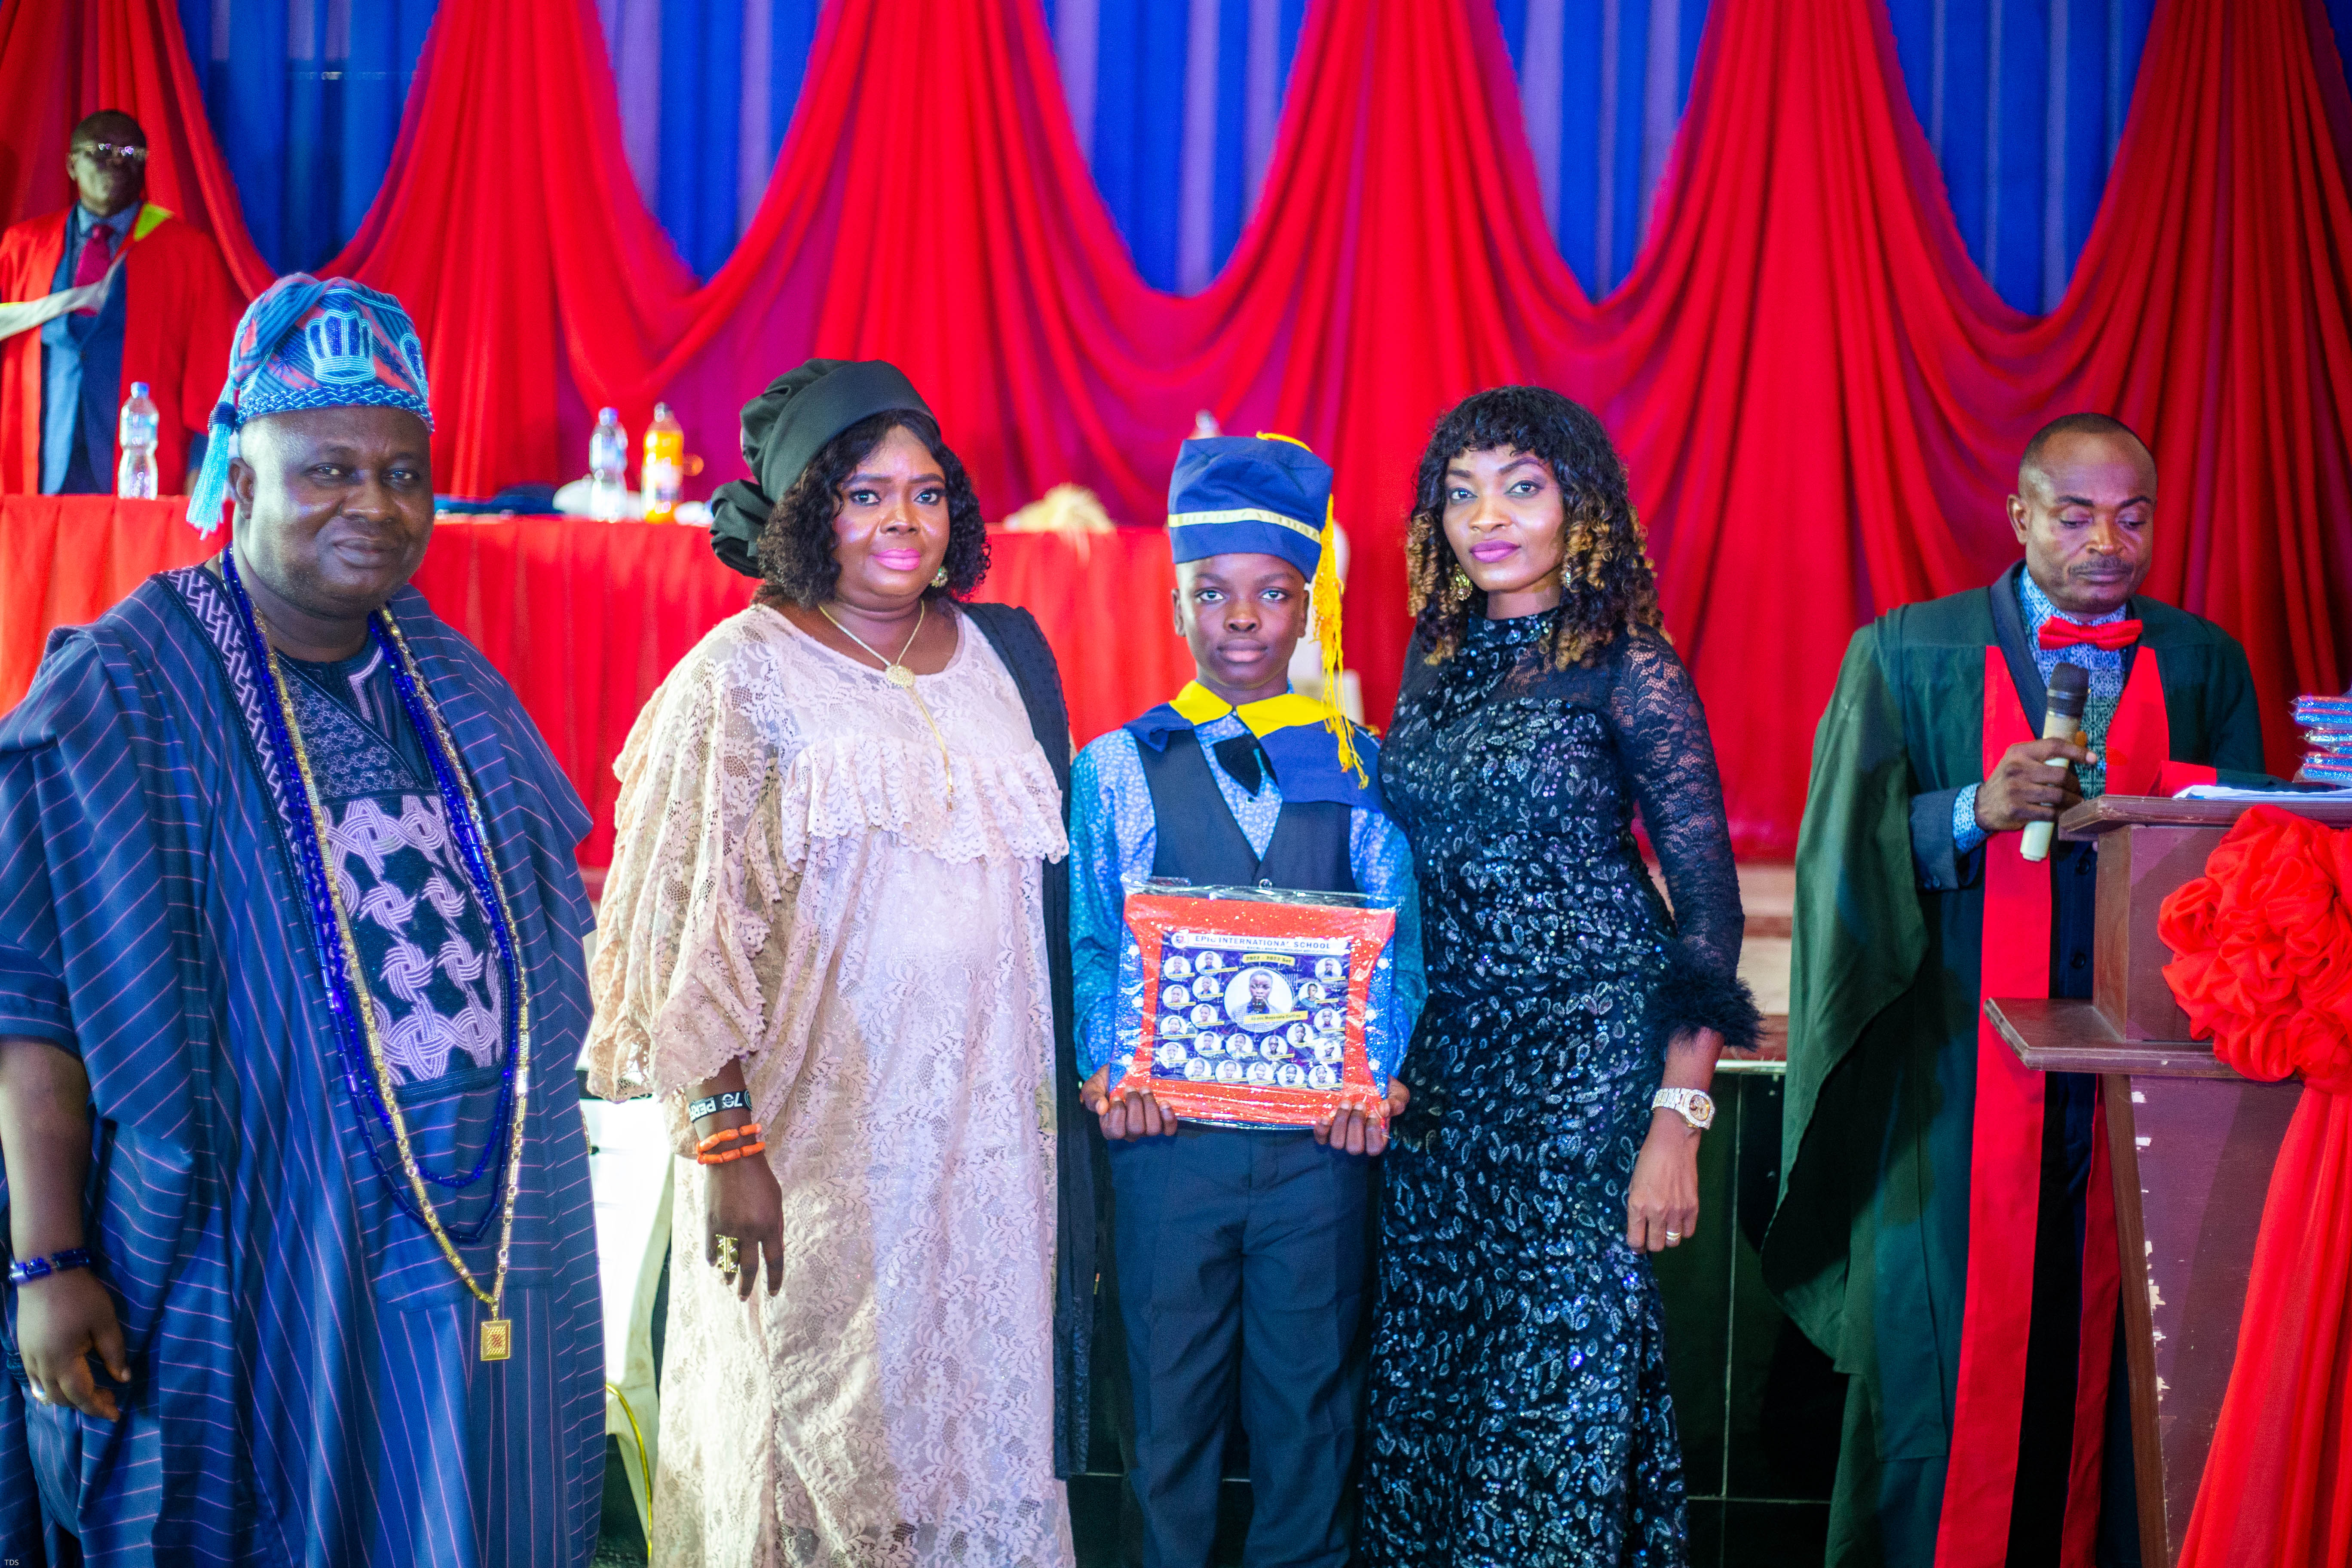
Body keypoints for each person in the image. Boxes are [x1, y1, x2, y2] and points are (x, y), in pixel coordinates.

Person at [0, 276, 604, 1564]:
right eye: (328, 469)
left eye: (403, 474)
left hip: (478, 1257)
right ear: (239, 475)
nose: (373, 505)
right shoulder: (128, 688)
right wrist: (47, 1261)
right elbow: (33, 997)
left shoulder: (457, 687)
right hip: (250, 1258)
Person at [583, 358, 1095, 1566]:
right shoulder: (739, 678)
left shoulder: (1002, 661)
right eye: (865, 495)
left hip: (990, 1165)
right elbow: (678, 938)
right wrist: (726, 1147)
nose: (901, 522)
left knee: (976, 1444)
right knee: (818, 1440)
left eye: (925, 493)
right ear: (808, 511)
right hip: (816, 1161)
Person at [1764, 413, 2268, 1568]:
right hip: (1953, 1083)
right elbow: (1840, 850)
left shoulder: (2202, 662)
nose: (2107, 542)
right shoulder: (1907, 651)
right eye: (2076, 515)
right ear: (2020, 517)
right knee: (1941, 1373)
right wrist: (1970, 810)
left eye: (2132, 517)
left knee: (2131, 1371)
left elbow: (2250, 867)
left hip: (2142, 1089)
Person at [1363, 385, 1759, 1563]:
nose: (1486, 517)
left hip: (1587, 1064)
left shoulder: (1629, 667)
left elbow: (1710, 910)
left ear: (1579, 507)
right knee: (1434, 1363)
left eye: (1521, 488)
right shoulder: (1434, 663)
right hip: (1450, 1070)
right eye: (1462, 493)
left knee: (1559, 1372)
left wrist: (1677, 1118)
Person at [1069, 433, 1424, 1568]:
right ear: (1174, 604)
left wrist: (1372, 1077)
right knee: (1164, 1420)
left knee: (1310, 1421)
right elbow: (1093, 940)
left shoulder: (1363, 767)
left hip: (1319, 1160)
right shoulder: (1115, 767)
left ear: (1310, 608)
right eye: (1211, 591)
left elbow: (1397, 946)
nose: (1240, 619)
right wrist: (1111, 1067)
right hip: (1166, 1150)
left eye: (1272, 593)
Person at [0, 110, 241, 495]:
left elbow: (209, 374)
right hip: (36, 463)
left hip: (143, 467)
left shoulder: (189, 254)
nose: (116, 160)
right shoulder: (22, 248)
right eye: (101, 150)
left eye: (131, 152)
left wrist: (200, 473)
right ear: (71, 165)